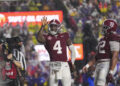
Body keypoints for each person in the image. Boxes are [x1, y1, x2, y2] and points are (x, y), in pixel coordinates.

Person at [37, 17, 76, 86]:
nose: (53, 28)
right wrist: (42, 26)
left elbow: (72, 50)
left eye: (55, 26)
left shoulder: (64, 35)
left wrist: (72, 62)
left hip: (64, 65)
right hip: (53, 66)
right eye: (51, 26)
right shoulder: (47, 37)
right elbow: (39, 38)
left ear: (58, 27)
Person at [82, 19, 120, 86]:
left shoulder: (114, 37)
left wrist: (111, 71)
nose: (103, 29)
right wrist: (87, 65)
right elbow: (97, 56)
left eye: (105, 27)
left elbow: (115, 55)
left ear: (111, 28)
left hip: (108, 64)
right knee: (97, 84)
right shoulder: (102, 39)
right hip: (100, 64)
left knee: (101, 83)